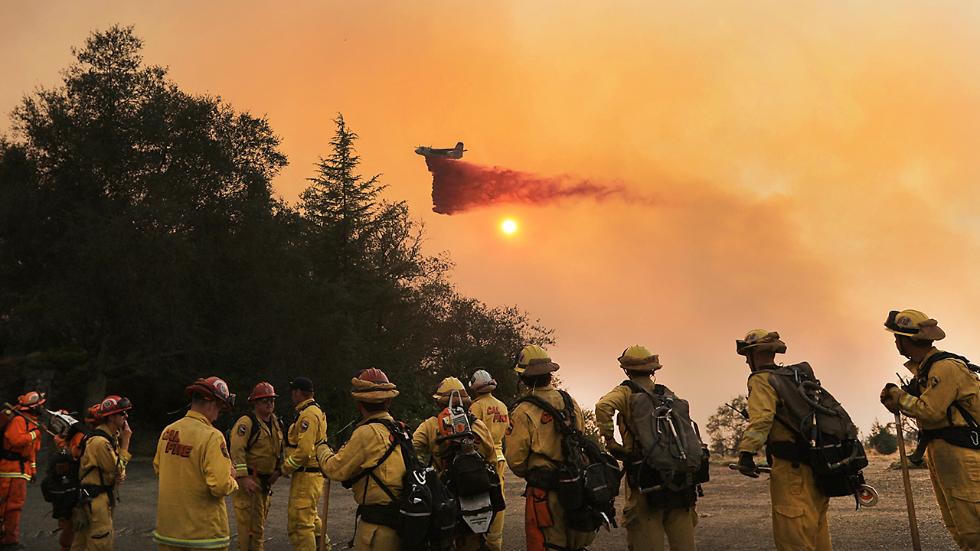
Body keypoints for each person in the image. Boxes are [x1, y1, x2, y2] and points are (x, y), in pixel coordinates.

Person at [880, 309, 980, 550]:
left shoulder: (945, 368)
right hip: (943, 451)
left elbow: (930, 411)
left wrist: (899, 397)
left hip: (962, 453)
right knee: (957, 524)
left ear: (907, 340)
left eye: (898, 337)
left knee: (973, 529)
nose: (896, 342)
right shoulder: (926, 369)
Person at [734, 330, 831, 551]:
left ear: (751, 355)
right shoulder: (794, 377)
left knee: (793, 536)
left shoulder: (761, 380)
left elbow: (762, 419)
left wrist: (746, 453)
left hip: (791, 471)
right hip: (816, 467)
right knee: (817, 534)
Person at [595, 345, 699, 551]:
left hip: (645, 478)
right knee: (684, 542)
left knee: (646, 539)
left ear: (626, 369)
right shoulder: (667, 394)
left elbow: (602, 406)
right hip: (679, 478)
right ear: (653, 370)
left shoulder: (625, 392)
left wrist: (610, 441)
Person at [504, 345, 597, 551]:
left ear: (524, 378)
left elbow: (516, 461)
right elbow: (579, 436)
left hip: (545, 493)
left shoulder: (523, 411)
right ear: (549, 374)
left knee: (549, 544)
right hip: (577, 486)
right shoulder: (569, 402)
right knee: (576, 544)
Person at [316, 368, 403, 551]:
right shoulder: (399, 429)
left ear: (359, 403)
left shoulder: (366, 433)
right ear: (388, 401)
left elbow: (334, 469)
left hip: (376, 531)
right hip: (400, 527)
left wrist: (321, 448)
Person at [153, 377, 239, 550]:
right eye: (220, 407)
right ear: (210, 402)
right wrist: (232, 479)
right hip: (204, 536)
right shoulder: (212, 436)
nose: (218, 414)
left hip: (168, 533)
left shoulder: (168, 431)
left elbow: (159, 469)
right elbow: (220, 486)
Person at [413, 377, 497, 551]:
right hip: (476, 494)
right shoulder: (478, 425)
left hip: (444, 496)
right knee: (474, 541)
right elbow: (491, 457)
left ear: (439, 402)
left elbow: (413, 450)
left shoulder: (429, 425)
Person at [70, 395, 133, 550]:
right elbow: (118, 469)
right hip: (96, 500)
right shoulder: (100, 442)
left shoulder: (108, 438)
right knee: (100, 542)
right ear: (111, 417)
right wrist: (126, 443)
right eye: (122, 413)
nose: (126, 416)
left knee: (82, 542)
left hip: (94, 498)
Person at [229, 382, 283, 551]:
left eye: (271, 400)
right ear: (255, 403)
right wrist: (243, 478)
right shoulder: (246, 422)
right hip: (250, 484)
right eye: (264, 400)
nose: (269, 403)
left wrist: (278, 470)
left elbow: (280, 449)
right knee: (249, 532)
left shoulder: (275, 422)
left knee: (258, 529)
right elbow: (237, 450)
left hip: (264, 484)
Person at [281, 377, 327, 551]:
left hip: (306, 475)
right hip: (309, 475)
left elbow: (304, 451)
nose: (292, 395)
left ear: (300, 392)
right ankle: (324, 547)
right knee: (311, 518)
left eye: (294, 391)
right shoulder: (314, 411)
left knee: (300, 524)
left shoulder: (308, 414)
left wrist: (284, 468)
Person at [467, 369, 509, 551]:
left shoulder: (475, 407)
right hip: (500, 457)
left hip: (483, 459)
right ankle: (495, 542)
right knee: (499, 499)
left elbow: (474, 435)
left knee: (480, 501)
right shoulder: (502, 406)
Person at [0, 391, 45, 550]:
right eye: (40, 406)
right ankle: (8, 541)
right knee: (9, 506)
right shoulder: (19, 420)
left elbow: (31, 451)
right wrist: (35, 433)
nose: (42, 408)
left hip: (21, 469)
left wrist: (33, 469)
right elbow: (16, 440)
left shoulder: (31, 421)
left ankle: (9, 539)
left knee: (14, 505)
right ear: (33, 407)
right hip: (9, 469)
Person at [53, 405, 98, 551]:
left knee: (74, 527)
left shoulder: (80, 434)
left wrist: (60, 442)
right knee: (74, 527)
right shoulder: (84, 437)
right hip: (76, 487)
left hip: (74, 486)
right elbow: (75, 456)